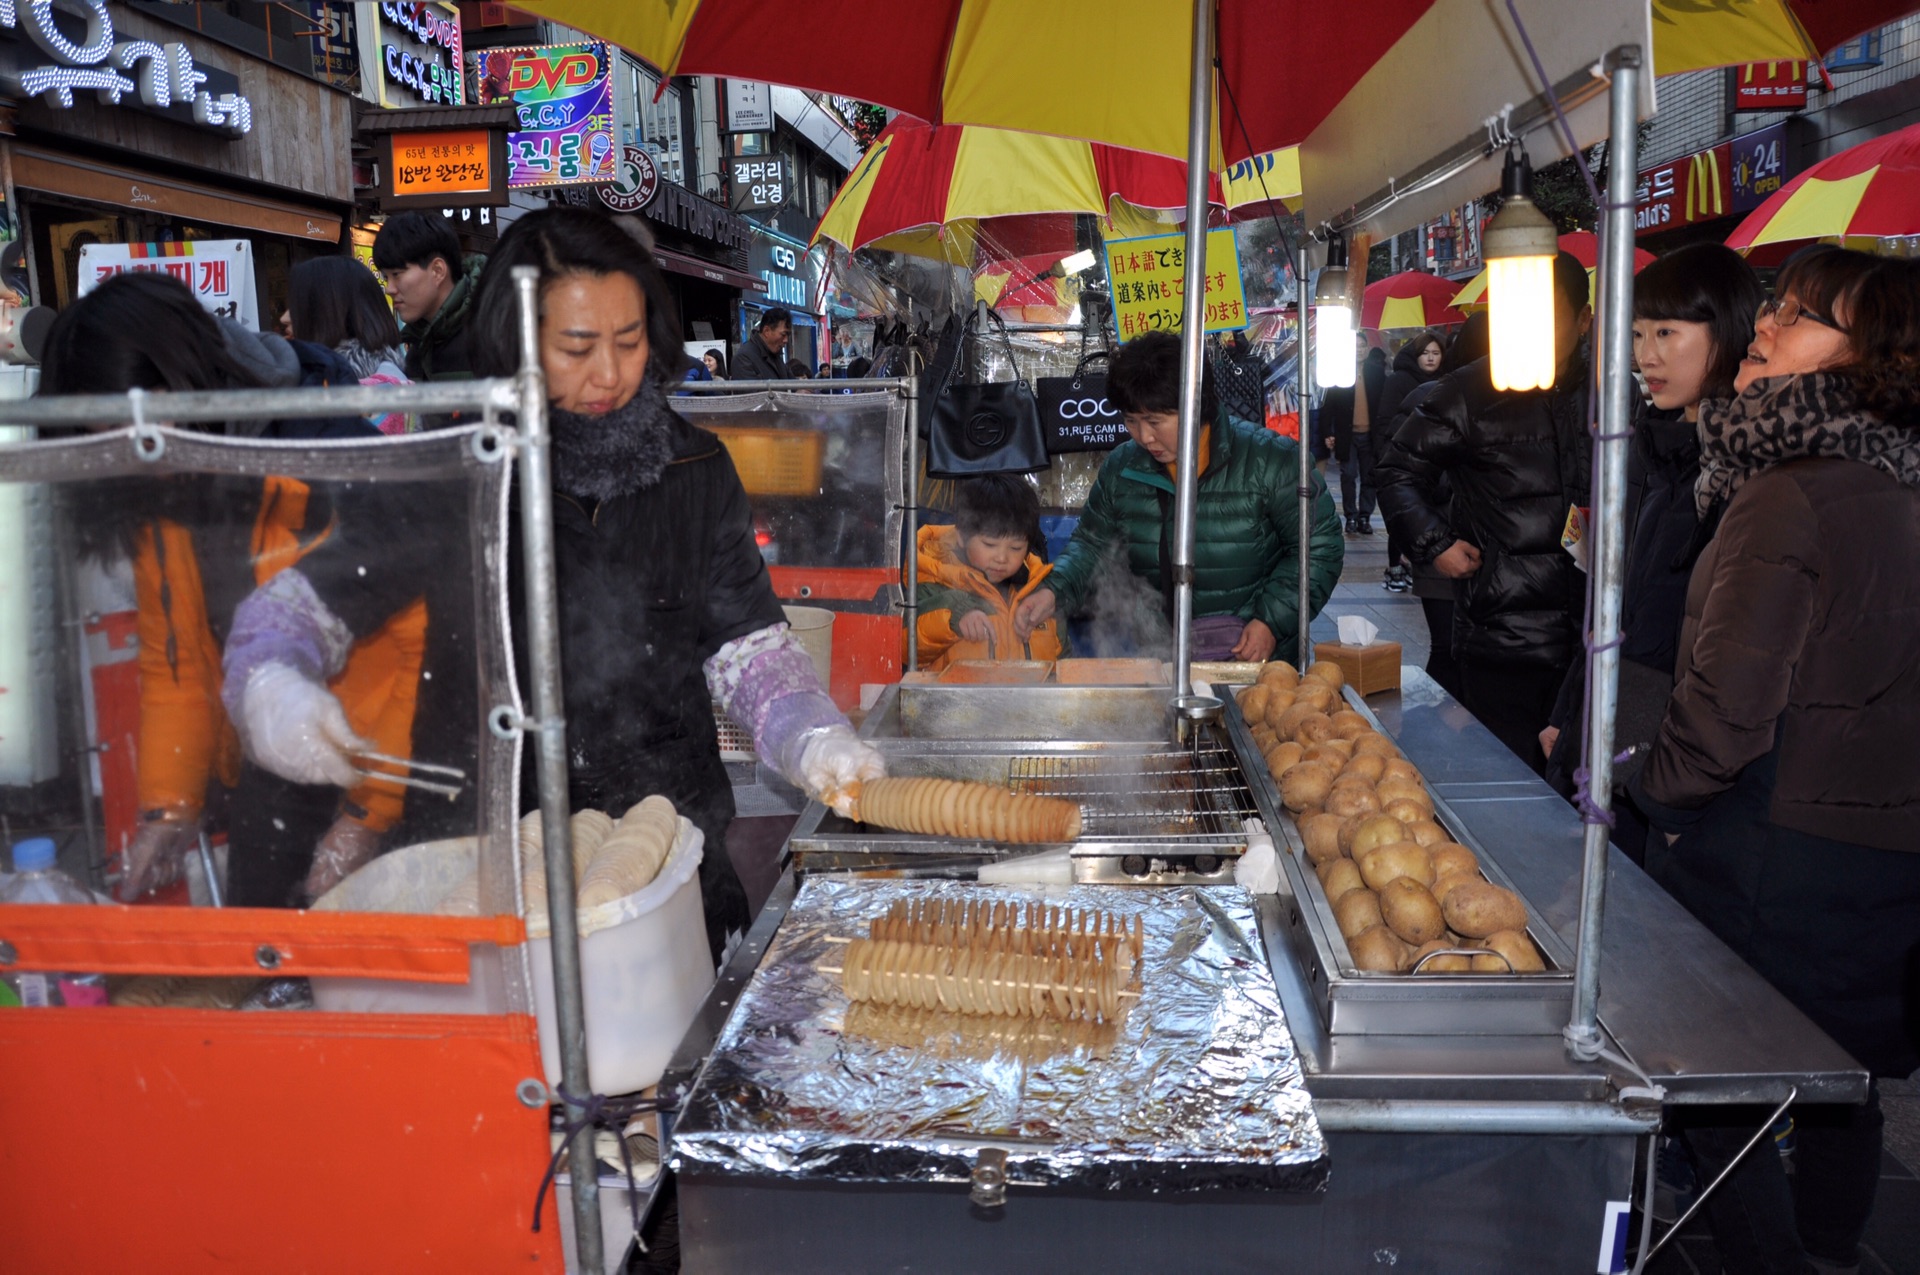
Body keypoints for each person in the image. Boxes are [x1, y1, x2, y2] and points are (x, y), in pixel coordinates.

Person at [216, 208, 883, 959]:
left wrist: (807, 729)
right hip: (484, 854)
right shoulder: (461, 469)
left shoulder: (694, 469)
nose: (610, 374)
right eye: (577, 347)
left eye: (629, 342)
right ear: (514, 345)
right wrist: (271, 679)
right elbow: (301, 606)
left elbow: (745, 643)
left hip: (664, 853)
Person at [1627, 249, 1920, 1275]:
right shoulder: (1896, 471)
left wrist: (1643, 784)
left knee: (1719, 1088)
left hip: (1773, 849)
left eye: (1798, 317)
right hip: (1885, 851)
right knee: (1848, 1077)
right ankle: (1836, 1251)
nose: (1767, 326)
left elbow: (1723, 717)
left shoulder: (1789, 493)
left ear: (1869, 356)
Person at [36, 273, 426, 908]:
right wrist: (170, 808)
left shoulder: (321, 449)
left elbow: (424, 643)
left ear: (186, 378)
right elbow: (176, 662)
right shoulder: (165, 479)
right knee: (263, 978)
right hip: (266, 780)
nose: (133, 459)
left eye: (137, 430)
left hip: (382, 765)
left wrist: (369, 815)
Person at [1537, 244, 1762, 860]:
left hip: (1675, 767)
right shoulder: (1644, 446)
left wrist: (1660, 783)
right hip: (1614, 727)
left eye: (1666, 331)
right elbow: (1610, 607)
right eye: (1637, 333)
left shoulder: (1744, 471)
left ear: (1730, 330)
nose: (1645, 355)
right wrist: (1571, 714)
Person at [1373, 252, 1593, 773]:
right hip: (1503, 640)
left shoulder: (1612, 394)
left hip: (1593, 646)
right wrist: (1434, 545)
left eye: (1551, 318)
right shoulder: (1471, 390)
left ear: (1584, 320)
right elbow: (1396, 471)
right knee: (1509, 793)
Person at [1014, 331, 1343, 663]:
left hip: (1254, 662)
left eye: (1155, 421)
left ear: (1196, 405)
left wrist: (1270, 621)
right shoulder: (1122, 467)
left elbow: (1319, 546)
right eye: (1131, 421)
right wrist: (1053, 591)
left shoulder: (1271, 460)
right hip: (1161, 659)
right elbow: (1091, 545)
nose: (1144, 436)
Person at [1378, 315, 1488, 699]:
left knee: (1472, 654)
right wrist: (1431, 543)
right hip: (1443, 545)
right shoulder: (1433, 397)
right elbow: (1395, 473)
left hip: (1482, 552)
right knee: (1447, 649)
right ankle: (1440, 735)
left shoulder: (1524, 398)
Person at [915, 475, 1064, 672]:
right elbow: (904, 645)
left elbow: (1063, 662)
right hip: (958, 703)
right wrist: (954, 613)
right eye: (990, 545)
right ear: (961, 537)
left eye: (1016, 547)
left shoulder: (1039, 595)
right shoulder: (933, 583)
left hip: (1030, 703)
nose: (1002, 558)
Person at [289, 255, 415, 435]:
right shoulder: (389, 378)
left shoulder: (368, 389)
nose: (285, 318)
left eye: (297, 309)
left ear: (322, 314)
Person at [372, 211, 485, 382]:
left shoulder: (492, 332)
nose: (389, 289)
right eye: (386, 278)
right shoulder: (417, 347)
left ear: (437, 271)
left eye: (396, 274)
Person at [1377, 328, 1449, 590]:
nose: (1430, 358)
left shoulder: (1448, 381)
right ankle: (1395, 565)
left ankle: (1420, 563)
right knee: (1404, 513)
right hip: (1403, 457)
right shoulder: (1399, 381)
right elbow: (1386, 420)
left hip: (1437, 462)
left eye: (1436, 353)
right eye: (1425, 353)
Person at [1317, 335, 1388, 534]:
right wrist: (1327, 433)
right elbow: (1327, 407)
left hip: (1370, 435)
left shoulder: (1376, 373)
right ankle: (1350, 517)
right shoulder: (1340, 374)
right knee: (1348, 475)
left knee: (1369, 477)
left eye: (1362, 346)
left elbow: (1384, 404)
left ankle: (1365, 517)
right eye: (1354, 346)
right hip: (1346, 435)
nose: (1359, 349)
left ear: (1367, 349)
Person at [732, 307, 795, 380]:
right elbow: (751, 390)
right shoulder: (743, 359)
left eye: (788, 335)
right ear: (766, 331)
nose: (786, 340)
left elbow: (794, 384)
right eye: (783, 334)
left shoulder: (776, 357)